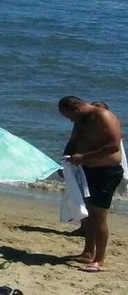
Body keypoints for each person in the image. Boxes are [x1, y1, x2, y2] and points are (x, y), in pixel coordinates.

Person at [60, 97, 123, 272]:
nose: (70, 120)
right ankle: (88, 252)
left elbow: (113, 146)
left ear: (77, 108)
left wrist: (84, 157)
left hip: (107, 173)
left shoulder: (104, 116)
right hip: (86, 172)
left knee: (98, 216)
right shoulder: (81, 120)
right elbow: (73, 142)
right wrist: (65, 162)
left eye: (70, 116)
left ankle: (99, 260)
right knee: (87, 214)